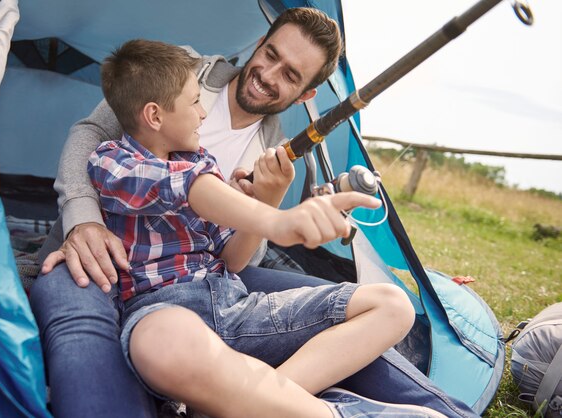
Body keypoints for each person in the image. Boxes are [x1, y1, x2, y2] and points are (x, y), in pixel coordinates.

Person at [30, 7, 479, 418]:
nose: (267, 74)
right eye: (269, 54)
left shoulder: (276, 154)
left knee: (365, 312)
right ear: (258, 44)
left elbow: (233, 261)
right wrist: (83, 219)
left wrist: (263, 201)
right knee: (89, 331)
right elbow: (100, 142)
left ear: (308, 93)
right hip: (100, 255)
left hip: (204, 281)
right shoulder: (179, 73)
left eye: (290, 74)